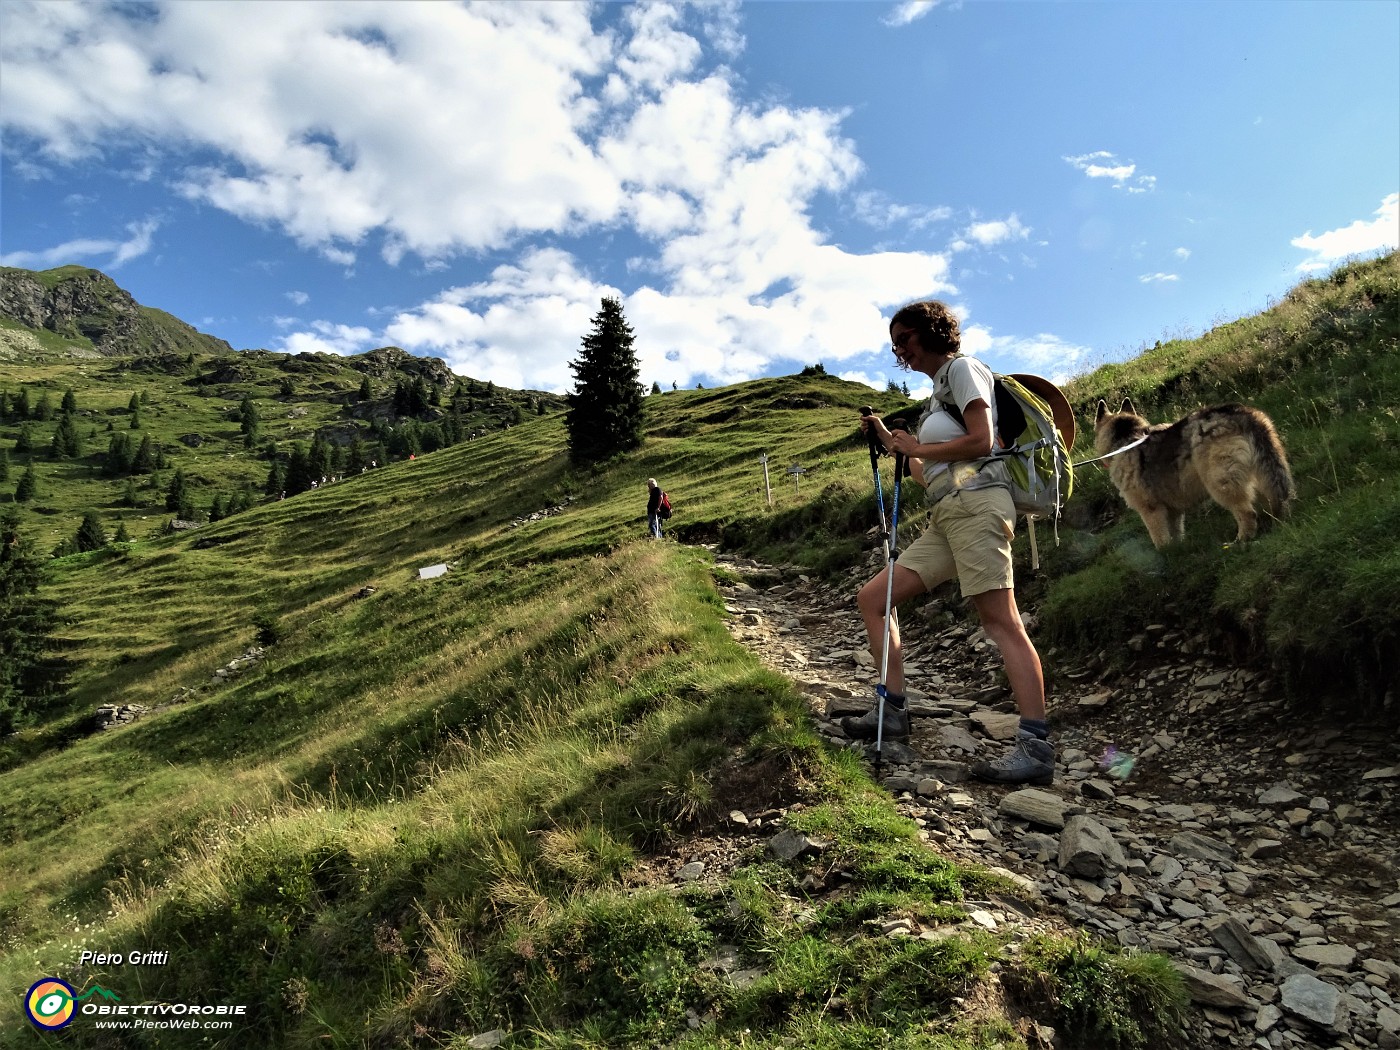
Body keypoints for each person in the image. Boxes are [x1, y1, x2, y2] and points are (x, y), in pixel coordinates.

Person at [843, 299, 1055, 786]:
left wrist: (916, 446)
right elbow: (930, 473)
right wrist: (892, 443)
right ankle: (892, 713)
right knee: (875, 599)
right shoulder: (938, 396)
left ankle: (1035, 746)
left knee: (1000, 620)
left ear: (932, 334)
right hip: (948, 513)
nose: (901, 351)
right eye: (895, 344)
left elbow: (981, 441)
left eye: (906, 340)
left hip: (979, 507)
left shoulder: (964, 370)